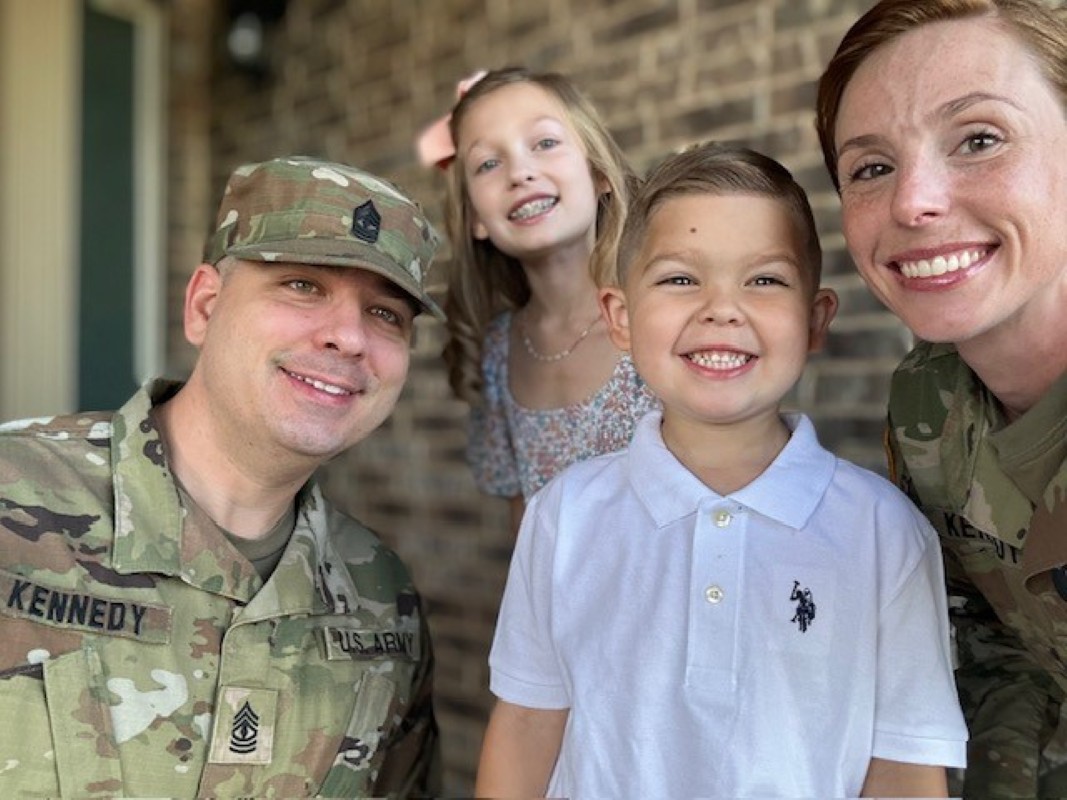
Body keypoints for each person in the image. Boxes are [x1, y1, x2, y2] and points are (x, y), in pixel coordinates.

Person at [474, 141, 968, 798]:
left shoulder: (883, 532)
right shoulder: (563, 516)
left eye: (764, 279)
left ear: (814, 320)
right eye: (680, 278)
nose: (720, 309)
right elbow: (528, 724)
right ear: (619, 317)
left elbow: (904, 767)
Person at [0, 156, 442, 797]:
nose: (348, 337)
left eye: (385, 315)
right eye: (302, 286)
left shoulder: (382, 598)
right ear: (205, 306)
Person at [815, 0, 1067, 795]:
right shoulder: (927, 403)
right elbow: (999, 658)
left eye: (979, 139)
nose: (911, 202)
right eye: (871, 166)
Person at [417, 66, 657, 532]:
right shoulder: (498, 354)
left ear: (599, 173)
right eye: (488, 163)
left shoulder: (661, 311)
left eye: (545, 143)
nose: (521, 173)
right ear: (475, 220)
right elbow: (524, 525)